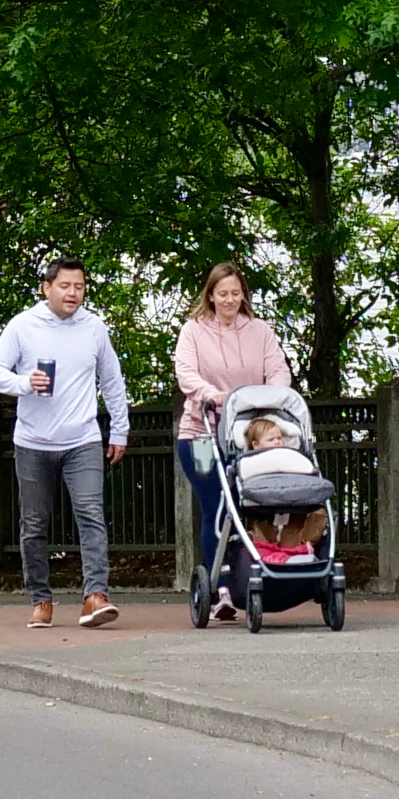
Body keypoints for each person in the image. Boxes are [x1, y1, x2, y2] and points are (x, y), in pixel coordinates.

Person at [0, 256, 129, 629]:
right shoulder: (23, 326)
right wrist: (24, 383)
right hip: (32, 442)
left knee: (91, 514)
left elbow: (111, 381)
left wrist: (120, 432)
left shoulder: (94, 327)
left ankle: (95, 595)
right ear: (47, 287)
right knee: (33, 524)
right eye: (64, 286)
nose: (72, 293)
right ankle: (41, 599)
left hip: (83, 438)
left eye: (79, 286)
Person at [174, 262, 291, 621]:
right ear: (210, 295)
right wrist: (215, 395)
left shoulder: (261, 331)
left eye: (235, 294)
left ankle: (254, 574)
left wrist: (271, 396)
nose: (229, 300)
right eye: (222, 293)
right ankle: (221, 587)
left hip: (247, 435)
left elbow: (278, 370)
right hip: (202, 434)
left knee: (250, 506)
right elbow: (186, 373)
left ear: (244, 296)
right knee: (217, 507)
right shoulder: (193, 331)